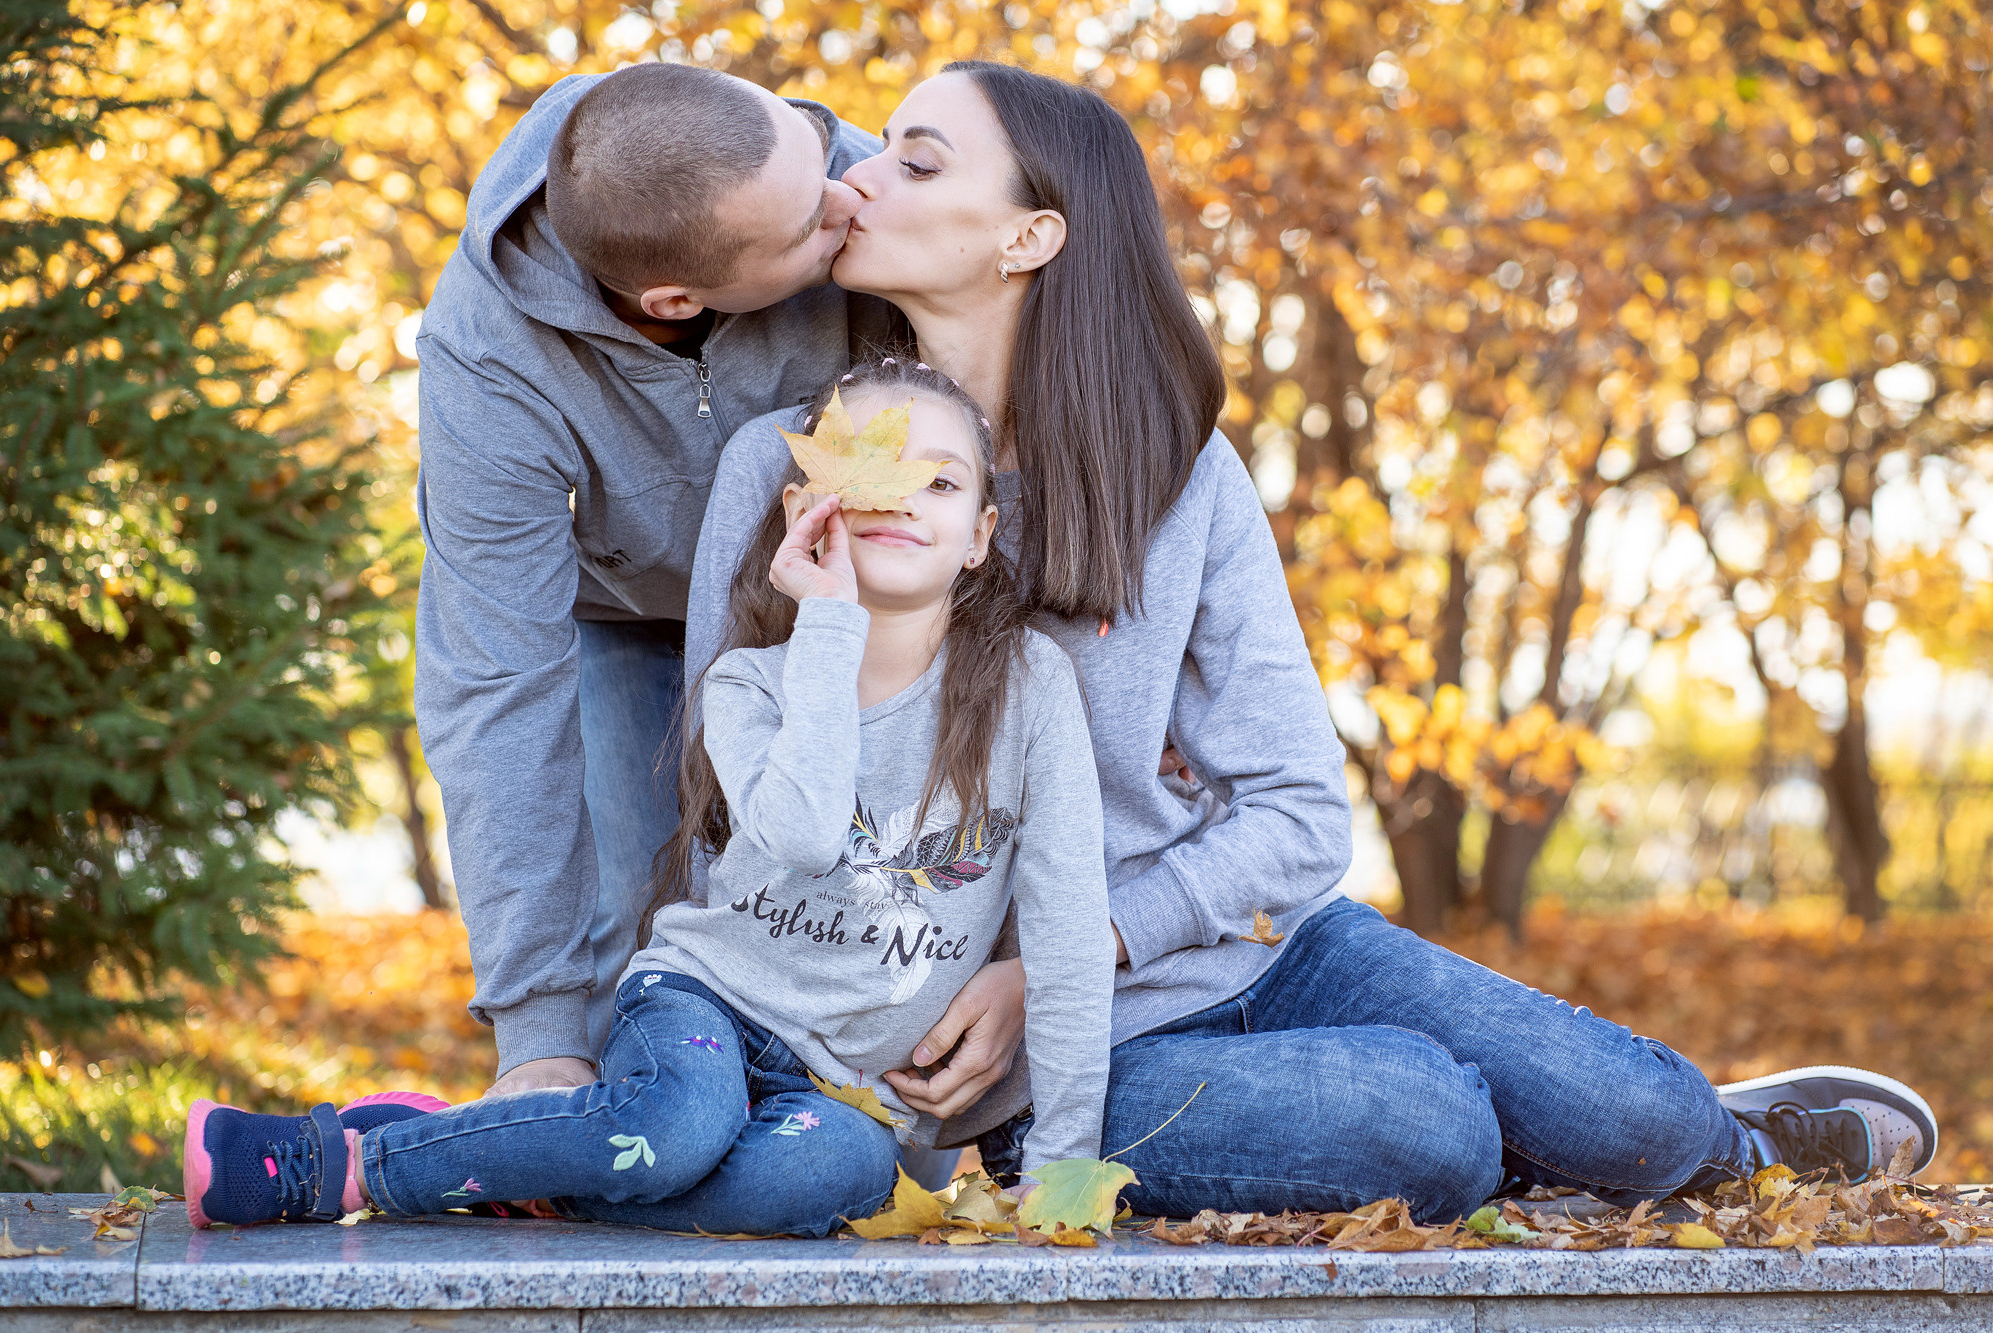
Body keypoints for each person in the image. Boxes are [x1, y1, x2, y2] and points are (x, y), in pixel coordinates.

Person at [686, 62, 1941, 1220]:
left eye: (915, 162)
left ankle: (1717, 1145)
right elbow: (724, 815)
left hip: (1245, 953)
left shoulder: (1176, 476)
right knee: (1427, 1122)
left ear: (1030, 237)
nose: (857, 181)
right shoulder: (784, 470)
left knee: (1638, 1111)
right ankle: (1490, 1134)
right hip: (1064, 1059)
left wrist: (1080, 949)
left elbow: (1295, 810)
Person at [183, 362, 1115, 1235]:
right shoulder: (751, 684)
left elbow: (1067, 932)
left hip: (843, 1093)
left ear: (982, 535)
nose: (901, 496)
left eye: (940, 481)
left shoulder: (1032, 689)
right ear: (804, 508)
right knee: (673, 1127)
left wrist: (1062, 1164)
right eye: (869, 472)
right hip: (708, 1002)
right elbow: (806, 833)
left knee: (840, 1177)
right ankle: (344, 1161)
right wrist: (831, 620)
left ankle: (523, 1158)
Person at [413, 61, 897, 1105]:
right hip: (627, 617)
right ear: (673, 300)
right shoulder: (487, 364)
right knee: (646, 920)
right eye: (808, 224)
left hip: (847, 599)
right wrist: (538, 1032)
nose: (849, 201)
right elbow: (496, 682)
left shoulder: (844, 173)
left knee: (871, 891)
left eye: (820, 154)